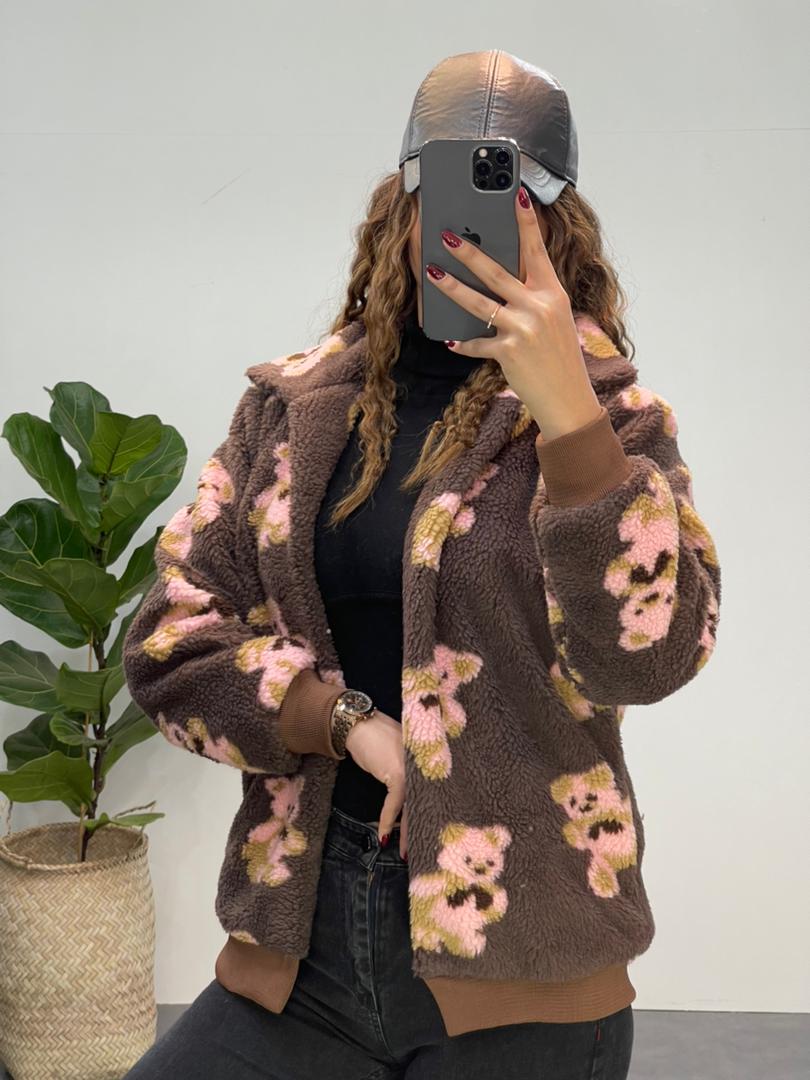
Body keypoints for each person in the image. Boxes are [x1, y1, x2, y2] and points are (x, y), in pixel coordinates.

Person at [121, 49, 721, 1080]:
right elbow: (168, 640)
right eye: (447, 189)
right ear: (403, 198)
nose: (470, 230)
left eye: (509, 197)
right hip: (301, 951)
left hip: (527, 971)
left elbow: (650, 660)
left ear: (556, 221)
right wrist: (341, 720)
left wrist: (568, 418)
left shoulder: (615, 421)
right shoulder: (292, 410)